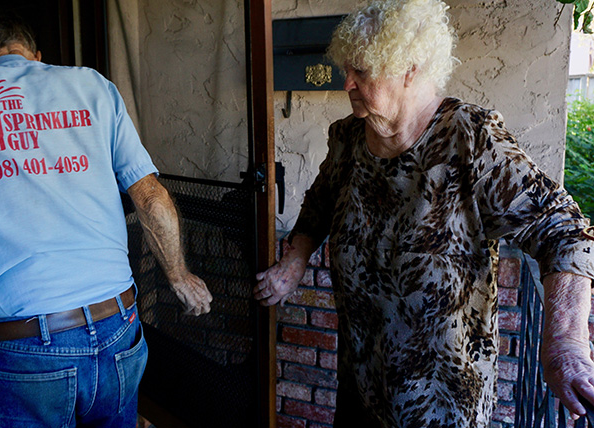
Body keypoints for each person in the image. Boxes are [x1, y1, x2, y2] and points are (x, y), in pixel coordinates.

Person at [254, 0, 594, 426]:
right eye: (347, 69)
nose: (347, 84)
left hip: (443, 405)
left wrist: (566, 340)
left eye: (362, 71)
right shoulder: (347, 139)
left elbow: (565, 230)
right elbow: (319, 203)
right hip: (359, 390)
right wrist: (294, 261)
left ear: (409, 68)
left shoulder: (470, 138)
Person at [0, 14, 212, 428]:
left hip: (25, 346)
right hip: (119, 325)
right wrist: (179, 276)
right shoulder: (94, 85)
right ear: (37, 58)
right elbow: (150, 196)